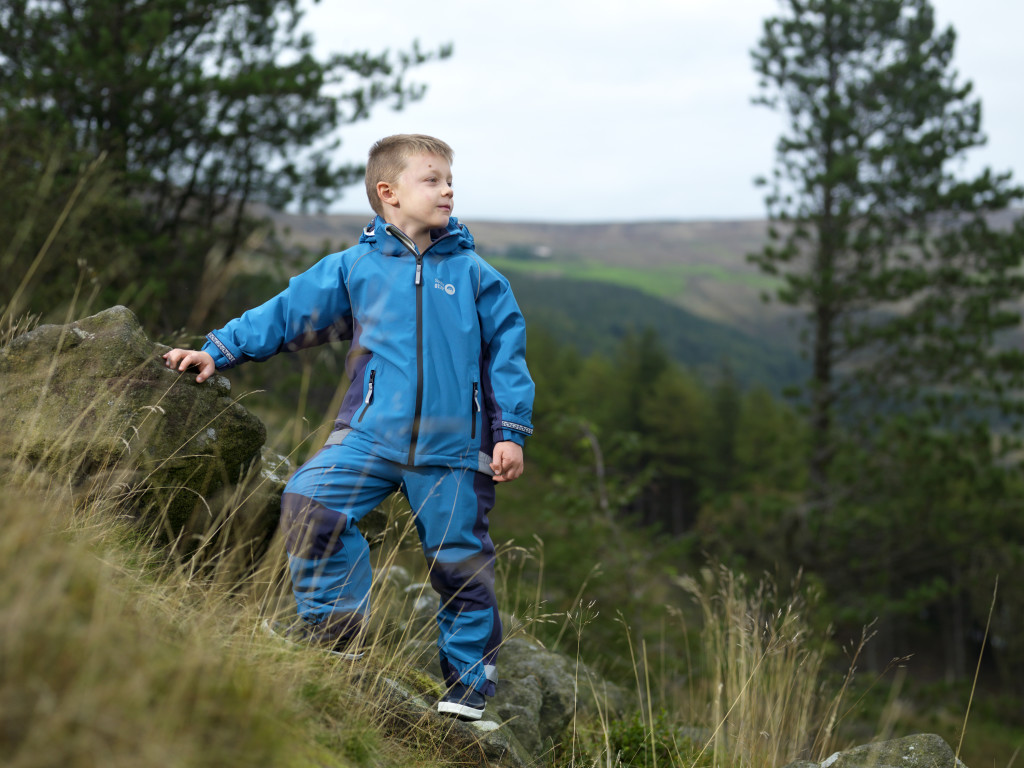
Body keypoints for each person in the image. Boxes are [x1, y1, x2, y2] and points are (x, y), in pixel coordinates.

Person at [162, 134, 535, 721]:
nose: (448, 190)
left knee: (458, 562)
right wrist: (220, 350)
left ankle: (466, 686)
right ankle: (333, 631)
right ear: (388, 193)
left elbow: (506, 359)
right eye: (432, 179)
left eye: (449, 180)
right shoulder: (354, 268)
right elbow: (287, 314)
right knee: (309, 501)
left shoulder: (477, 277)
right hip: (368, 436)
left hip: (455, 452)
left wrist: (509, 431)